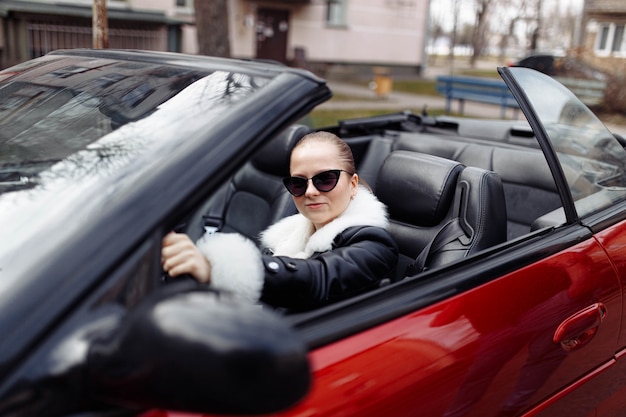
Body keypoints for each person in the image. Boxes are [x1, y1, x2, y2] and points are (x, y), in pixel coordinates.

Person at [161, 131, 398, 312]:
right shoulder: (285, 237)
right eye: (298, 183)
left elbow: (318, 276)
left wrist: (217, 269)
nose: (311, 191)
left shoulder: (375, 245)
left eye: (325, 179)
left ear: (353, 184)